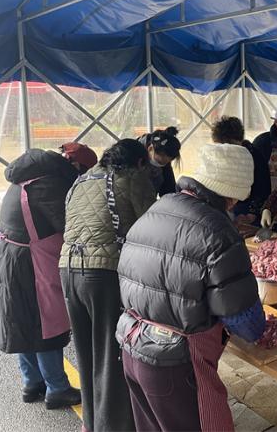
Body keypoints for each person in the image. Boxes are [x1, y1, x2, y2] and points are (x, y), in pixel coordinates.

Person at [115, 143, 265, 432]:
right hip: (175, 362)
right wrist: (262, 328)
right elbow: (245, 321)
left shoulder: (157, 210)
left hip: (132, 345)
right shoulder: (218, 231)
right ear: (231, 196)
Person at [0, 144, 97, 408]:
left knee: (24, 322)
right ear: (75, 167)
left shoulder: (29, 174)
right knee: (47, 323)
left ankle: (32, 383)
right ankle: (57, 388)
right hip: (31, 262)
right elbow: (69, 226)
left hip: (9, 256)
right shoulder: (50, 183)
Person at [60, 139, 156, 432]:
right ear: (139, 162)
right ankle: (114, 427)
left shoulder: (81, 180)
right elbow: (152, 224)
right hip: (101, 274)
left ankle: (91, 423)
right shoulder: (130, 178)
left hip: (68, 270)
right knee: (110, 354)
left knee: (86, 352)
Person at [211, 116, 271, 225]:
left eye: (230, 145)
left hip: (246, 209)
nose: (226, 149)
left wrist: (251, 214)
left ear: (238, 141)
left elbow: (263, 188)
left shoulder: (254, 156)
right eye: (221, 146)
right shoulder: (219, 156)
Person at [138, 126, 181, 197]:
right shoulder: (130, 155)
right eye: (159, 162)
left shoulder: (164, 161)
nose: (162, 165)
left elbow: (169, 191)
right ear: (150, 149)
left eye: (167, 163)